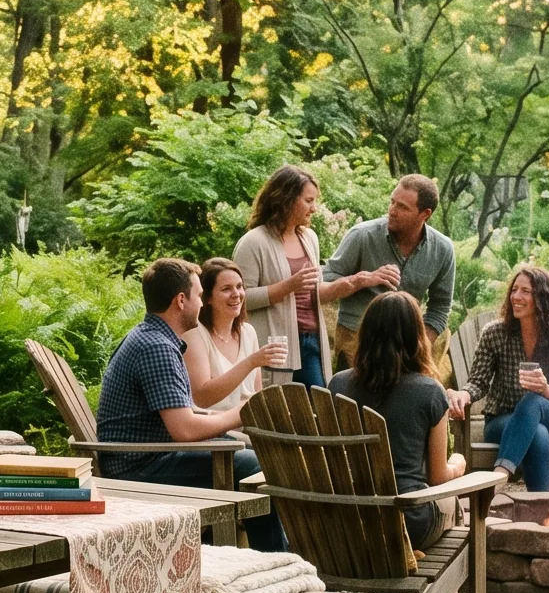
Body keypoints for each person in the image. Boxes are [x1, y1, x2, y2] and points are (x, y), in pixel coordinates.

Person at [94, 258, 262, 492]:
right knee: (255, 466)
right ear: (181, 301)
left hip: (150, 455)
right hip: (139, 467)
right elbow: (185, 430)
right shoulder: (156, 347)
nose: (202, 304)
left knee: (255, 454)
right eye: (199, 296)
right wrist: (245, 412)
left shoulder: (152, 337)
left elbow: (183, 414)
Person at [328, 292, 464, 556]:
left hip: (349, 522)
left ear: (365, 332)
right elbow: (437, 477)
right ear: (416, 336)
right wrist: (458, 464)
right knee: (454, 503)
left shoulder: (337, 384)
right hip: (407, 523)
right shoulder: (430, 391)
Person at [235, 166, 367, 389]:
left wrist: (356, 282)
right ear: (285, 199)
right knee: (277, 414)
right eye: (308, 200)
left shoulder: (309, 238)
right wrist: (288, 286)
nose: (314, 208)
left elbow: (315, 293)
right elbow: (240, 299)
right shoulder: (253, 242)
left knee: (320, 406)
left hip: (312, 340)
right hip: (275, 345)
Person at [464, 265, 549, 493]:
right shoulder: (495, 333)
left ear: (544, 299)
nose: (516, 297)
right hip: (502, 421)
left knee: (533, 400)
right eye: (514, 289)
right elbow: (478, 381)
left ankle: (500, 475)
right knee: (537, 432)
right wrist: (463, 394)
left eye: (525, 291)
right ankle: (544, 509)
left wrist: (545, 389)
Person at [322, 174, 457, 375]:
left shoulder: (443, 249)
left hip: (406, 345)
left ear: (425, 214)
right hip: (356, 341)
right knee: (353, 404)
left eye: (402, 207)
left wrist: (420, 346)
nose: (392, 211)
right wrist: (362, 280)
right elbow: (324, 284)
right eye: (392, 202)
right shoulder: (362, 235)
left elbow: (441, 306)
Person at [185, 258, 290, 412]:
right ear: (207, 298)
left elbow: (256, 395)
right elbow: (201, 398)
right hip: (215, 428)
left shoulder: (248, 332)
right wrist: (251, 362)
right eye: (226, 289)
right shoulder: (194, 334)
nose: (236, 294)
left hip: (249, 425)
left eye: (239, 287)